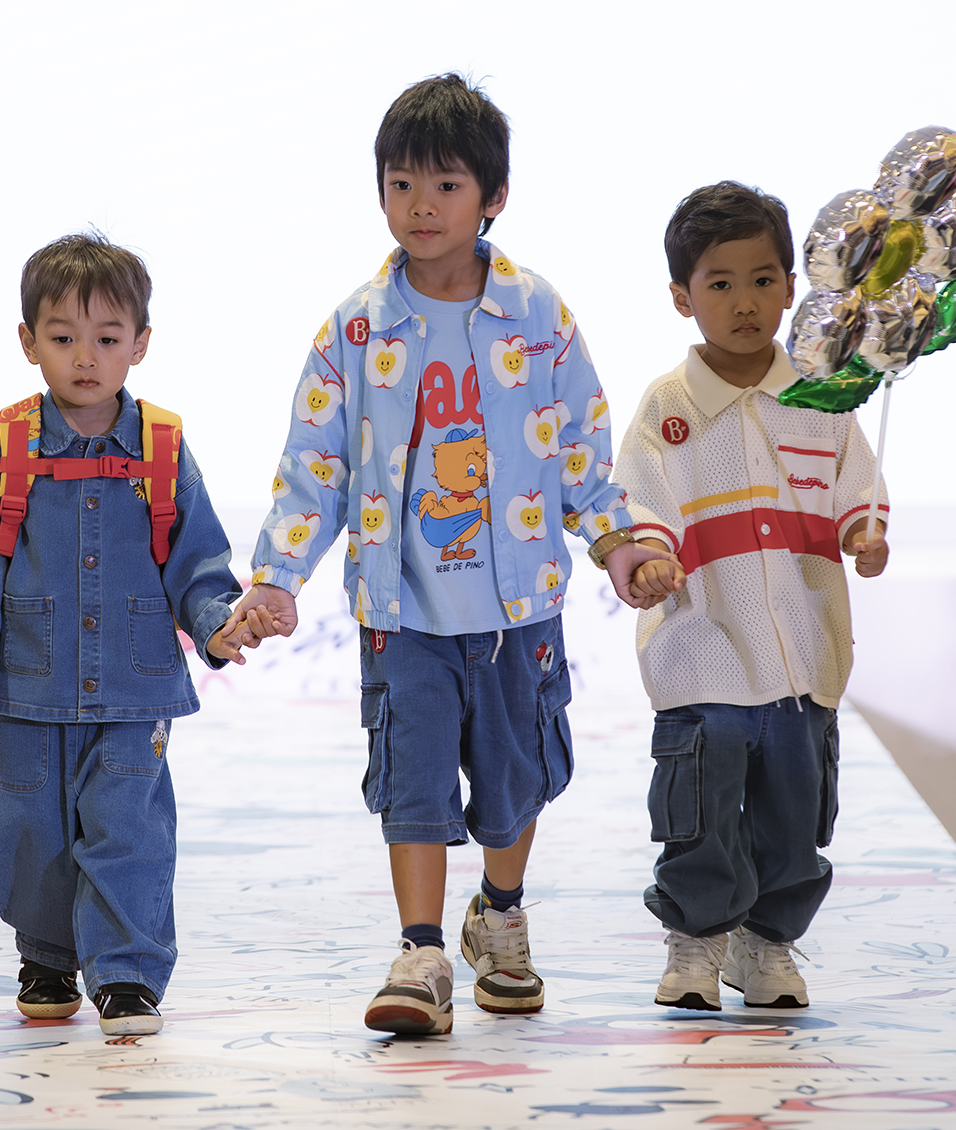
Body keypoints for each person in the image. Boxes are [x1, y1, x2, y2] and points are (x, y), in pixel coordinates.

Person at [222, 75, 681, 1037]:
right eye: (401, 184)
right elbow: (314, 465)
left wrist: (620, 542)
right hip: (404, 614)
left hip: (520, 609)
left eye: (445, 185)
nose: (420, 206)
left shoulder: (537, 314)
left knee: (516, 781)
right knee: (414, 781)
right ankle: (422, 949)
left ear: (493, 196)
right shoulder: (354, 328)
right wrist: (277, 577)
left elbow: (581, 450)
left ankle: (500, 916)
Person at [0, 234, 269, 1037]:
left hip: (132, 690)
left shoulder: (163, 447)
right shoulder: (8, 445)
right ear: (29, 342)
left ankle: (125, 973)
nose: (86, 357)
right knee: (34, 836)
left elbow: (197, 561)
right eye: (63, 337)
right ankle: (48, 954)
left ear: (140, 343)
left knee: (130, 830)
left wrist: (219, 624)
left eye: (108, 337)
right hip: (24, 688)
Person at [611, 181, 890, 1013]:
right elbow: (636, 499)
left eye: (764, 279)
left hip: (803, 651)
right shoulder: (667, 406)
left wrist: (864, 532)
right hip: (703, 649)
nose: (745, 302)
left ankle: (767, 942)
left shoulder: (824, 394)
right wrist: (649, 556)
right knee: (699, 812)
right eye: (721, 283)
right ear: (682, 296)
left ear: (793, 286)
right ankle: (696, 940)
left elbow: (857, 484)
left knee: (794, 816)